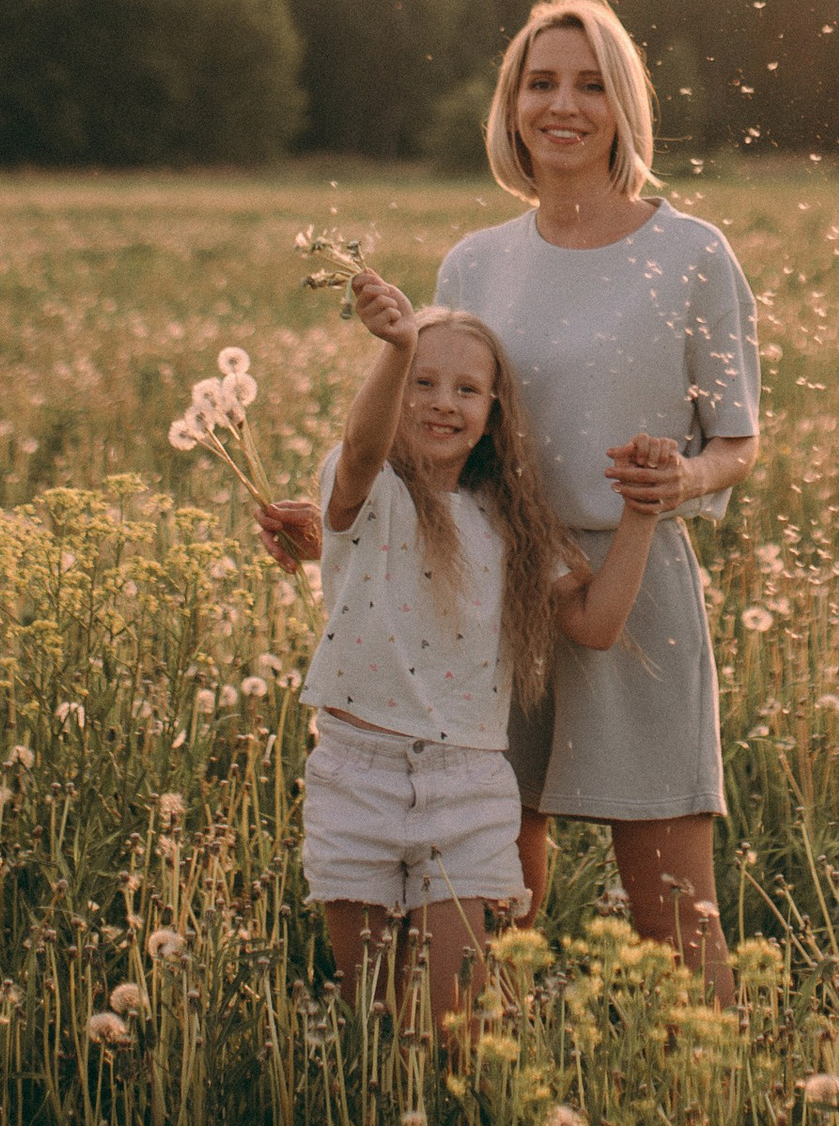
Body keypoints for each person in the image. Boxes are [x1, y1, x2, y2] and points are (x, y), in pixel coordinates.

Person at [434, 0, 757, 1002]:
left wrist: (683, 478)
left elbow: (738, 438)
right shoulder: (474, 260)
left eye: (588, 84)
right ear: (511, 103)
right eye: (540, 82)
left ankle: (710, 1116)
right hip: (491, 579)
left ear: (623, 106)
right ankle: (486, 1098)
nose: (561, 105)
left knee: (670, 906)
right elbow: (437, 430)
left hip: (635, 582)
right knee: (494, 886)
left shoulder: (692, 251)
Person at [279, 269, 657, 1029]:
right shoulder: (364, 491)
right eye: (422, 381)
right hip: (357, 773)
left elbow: (595, 623)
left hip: (470, 784)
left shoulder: (510, 521)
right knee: (375, 1012)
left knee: (458, 1020)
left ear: (492, 415)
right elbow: (360, 445)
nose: (441, 403)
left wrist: (642, 515)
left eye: (465, 390)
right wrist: (394, 345)